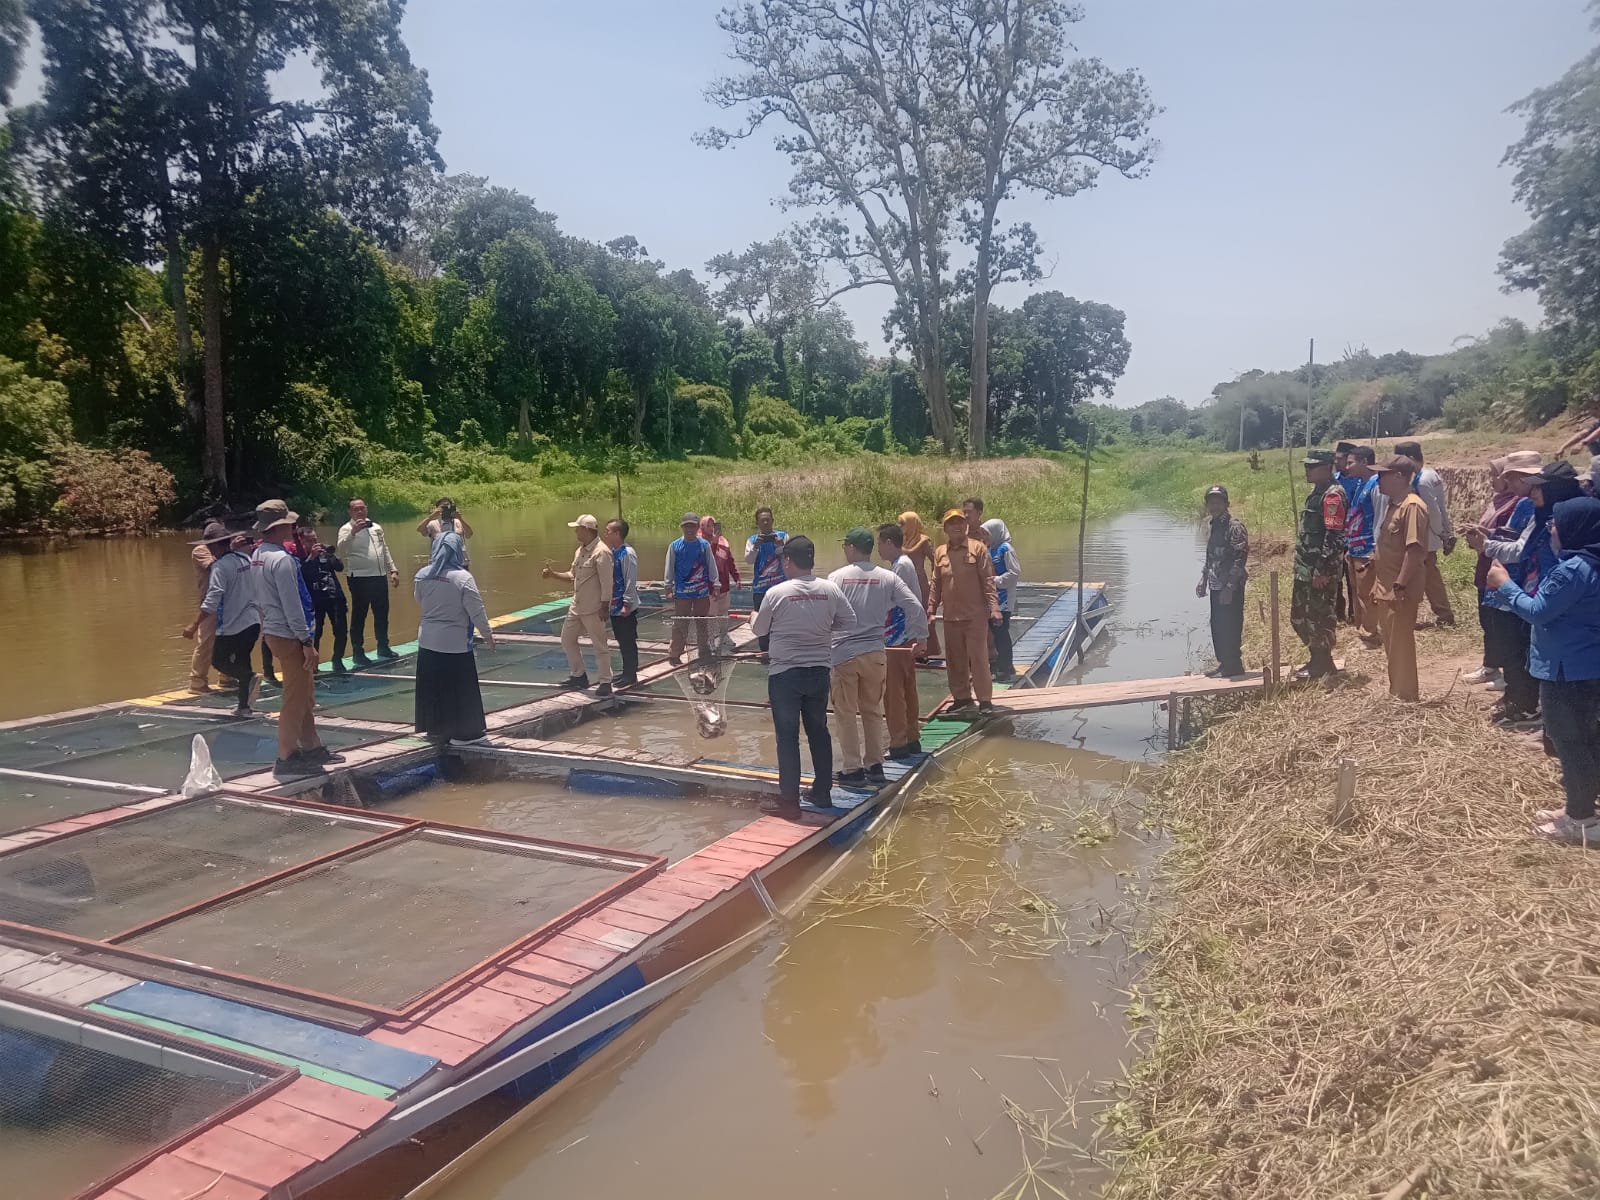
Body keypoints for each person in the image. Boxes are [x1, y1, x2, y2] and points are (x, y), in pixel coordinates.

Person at [1484, 498, 1600, 844]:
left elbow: (1537, 610)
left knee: (1570, 742)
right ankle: (1579, 808)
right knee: (1586, 739)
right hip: (1587, 665)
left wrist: (1503, 582)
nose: (1551, 527)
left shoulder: (1573, 570)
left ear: (1575, 528)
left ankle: (1582, 821)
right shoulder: (1591, 563)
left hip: (1565, 669)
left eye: (1557, 523)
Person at [1467, 459, 1584, 728]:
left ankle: (1532, 709)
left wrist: (1487, 546)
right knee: (1522, 650)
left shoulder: (1565, 521)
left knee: (1531, 654)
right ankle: (1528, 706)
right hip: (1534, 591)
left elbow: (1522, 551)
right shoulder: (1540, 513)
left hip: (1549, 594)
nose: (1532, 492)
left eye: (1537, 487)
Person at [750, 536, 856, 821]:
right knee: (818, 732)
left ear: (787, 561)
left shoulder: (777, 592)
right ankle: (821, 793)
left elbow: (760, 630)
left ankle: (789, 802)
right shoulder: (830, 589)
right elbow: (850, 621)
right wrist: (823, 628)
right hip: (819, 671)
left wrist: (752, 616)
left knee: (787, 738)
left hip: (786, 674)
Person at [828, 527, 927, 786]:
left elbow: (824, 615)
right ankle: (875, 766)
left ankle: (852, 769)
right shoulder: (887, 577)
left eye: (844, 546)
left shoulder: (836, 578)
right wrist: (921, 637)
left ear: (851, 547)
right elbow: (914, 605)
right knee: (873, 711)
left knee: (846, 713)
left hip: (844, 654)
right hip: (875, 652)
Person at [252, 500, 339, 779]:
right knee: (294, 698)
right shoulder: (282, 560)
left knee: (304, 693)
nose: (293, 527)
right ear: (280, 526)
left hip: (275, 631)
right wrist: (306, 641)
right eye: (289, 523)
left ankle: (311, 746)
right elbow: (292, 604)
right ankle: (287, 755)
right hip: (291, 634)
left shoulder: (258, 555)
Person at [412, 530, 494, 745]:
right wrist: (488, 636)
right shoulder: (463, 578)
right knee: (460, 687)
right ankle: (465, 734)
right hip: (455, 642)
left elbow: (419, 600)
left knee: (433, 686)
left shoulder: (422, 574)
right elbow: (477, 612)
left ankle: (435, 729)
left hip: (427, 640)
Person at [1462, 453, 1537, 686]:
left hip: (1506, 571)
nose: (1492, 480)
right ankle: (1495, 667)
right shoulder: (1501, 500)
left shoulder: (1521, 503)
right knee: (1491, 621)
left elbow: (1516, 544)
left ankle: (1511, 680)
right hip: (1490, 565)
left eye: (1498, 475)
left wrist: (1486, 542)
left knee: (1505, 627)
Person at [929, 508, 1002, 718]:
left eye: (960, 522)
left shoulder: (978, 549)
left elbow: (988, 581)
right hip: (951, 617)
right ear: (945, 529)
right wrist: (931, 609)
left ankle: (985, 701)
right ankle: (962, 698)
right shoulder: (940, 552)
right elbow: (936, 583)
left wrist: (994, 608)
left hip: (975, 617)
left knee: (979, 660)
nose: (956, 526)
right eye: (951, 523)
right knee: (955, 660)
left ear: (966, 525)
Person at [1368, 456, 1429, 701]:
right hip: (1387, 588)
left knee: (1400, 644)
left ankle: (1405, 696)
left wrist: (1399, 584)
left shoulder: (1412, 506)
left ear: (1399, 477)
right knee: (1392, 645)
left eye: (1382, 475)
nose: (1377, 480)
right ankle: (1397, 692)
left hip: (1399, 590)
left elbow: (1414, 550)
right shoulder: (1395, 504)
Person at [189, 530, 261, 716]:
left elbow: (213, 599)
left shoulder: (221, 566)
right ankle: (244, 707)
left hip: (232, 623)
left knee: (219, 661)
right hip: (252, 620)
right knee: (242, 660)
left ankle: (247, 679)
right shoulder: (246, 559)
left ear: (215, 546)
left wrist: (193, 625)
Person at [1290, 449, 1347, 680]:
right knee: (1299, 618)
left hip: (1320, 571)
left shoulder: (1333, 495)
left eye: (1312, 466)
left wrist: (1322, 569)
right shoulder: (1317, 493)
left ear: (1327, 467)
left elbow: (1334, 535)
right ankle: (1318, 659)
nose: (1307, 470)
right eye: (1306, 466)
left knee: (1319, 617)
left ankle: (1322, 664)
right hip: (1305, 569)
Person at [543, 514, 614, 696]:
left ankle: (605, 681)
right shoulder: (580, 551)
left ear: (587, 530)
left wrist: (605, 606)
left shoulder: (602, 552)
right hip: (577, 606)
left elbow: (607, 583)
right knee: (567, 639)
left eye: (578, 528)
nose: (576, 532)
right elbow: (572, 575)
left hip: (594, 607)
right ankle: (579, 676)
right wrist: (552, 575)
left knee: (600, 646)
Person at [1393, 440, 1456, 628]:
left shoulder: (1421, 481)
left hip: (1426, 536)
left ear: (1411, 459)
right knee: (1429, 576)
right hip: (1431, 535)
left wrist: (1441, 533)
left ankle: (1442, 613)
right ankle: (1442, 613)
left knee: (1425, 576)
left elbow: (1433, 511)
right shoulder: (1431, 474)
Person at [878, 522, 927, 758]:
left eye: (879, 543)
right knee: (908, 690)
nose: (878, 549)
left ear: (889, 543)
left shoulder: (900, 567)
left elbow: (893, 602)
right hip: (906, 636)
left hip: (897, 637)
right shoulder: (903, 565)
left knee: (893, 693)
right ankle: (911, 736)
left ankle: (898, 743)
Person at [337, 498, 399, 666]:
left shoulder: (376, 527)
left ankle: (383, 647)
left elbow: (384, 548)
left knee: (381, 614)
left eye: (362, 508)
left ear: (366, 509)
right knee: (359, 616)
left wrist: (392, 569)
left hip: (379, 576)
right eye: (355, 509)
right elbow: (341, 549)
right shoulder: (346, 529)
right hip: (359, 578)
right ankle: (358, 653)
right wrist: (353, 532)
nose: (359, 511)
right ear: (350, 512)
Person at [1195, 485, 1248, 678]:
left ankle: (1234, 665)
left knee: (1231, 624)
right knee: (1217, 624)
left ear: (1226, 504)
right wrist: (1203, 578)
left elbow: (1240, 558)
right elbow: (1211, 556)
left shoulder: (1234, 527)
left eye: (1218, 502)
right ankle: (1224, 663)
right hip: (1216, 583)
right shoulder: (1213, 524)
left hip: (1230, 586)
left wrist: (1230, 587)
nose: (1214, 506)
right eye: (1211, 502)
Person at [183, 522, 235, 694]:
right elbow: (216, 567)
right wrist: (231, 550)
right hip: (209, 602)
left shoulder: (225, 550)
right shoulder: (200, 550)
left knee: (229, 639)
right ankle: (197, 682)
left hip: (227, 600)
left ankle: (226, 676)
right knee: (205, 642)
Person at [294, 520, 350, 674]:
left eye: (315, 539)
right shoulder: (297, 557)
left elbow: (340, 567)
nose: (314, 543)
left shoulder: (324, 553)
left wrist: (330, 553)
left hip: (334, 596)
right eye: (310, 541)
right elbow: (300, 576)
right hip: (314, 601)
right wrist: (311, 557)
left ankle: (337, 660)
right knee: (315, 634)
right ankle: (313, 665)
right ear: (302, 541)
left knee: (341, 630)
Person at [1343, 447, 1382, 646]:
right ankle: (1363, 629)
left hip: (1368, 549)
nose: (1347, 466)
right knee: (1359, 592)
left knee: (1368, 594)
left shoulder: (1376, 485)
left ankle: (1371, 635)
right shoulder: (1360, 484)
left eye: (1351, 462)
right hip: (1356, 548)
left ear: (1365, 461)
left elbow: (1380, 519)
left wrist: (1376, 548)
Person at [665, 512, 715, 665]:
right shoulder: (675, 546)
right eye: (686, 526)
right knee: (680, 624)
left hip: (701, 591)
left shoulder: (704, 545)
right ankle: (675, 654)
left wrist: (716, 584)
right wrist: (668, 586)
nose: (689, 529)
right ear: (682, 528)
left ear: (697, 527)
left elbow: (711, 566)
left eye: (692, 526)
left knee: (702, 622)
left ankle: (704, 651)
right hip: (682, 592)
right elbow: (669, 567)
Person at [601, 518, 641, 689]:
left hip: (625, 606)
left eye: (608, 531)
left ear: (617, 533)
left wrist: (627, 603)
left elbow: (630, 580)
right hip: (614, 606)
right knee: (621, 639)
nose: (605, 534)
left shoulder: (627, 553)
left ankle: (631, 675)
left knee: (628, 640)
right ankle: (626, 672)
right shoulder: (613, 552)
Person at [745, 508, 789, 654]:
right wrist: (756, 547)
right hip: (760, 589)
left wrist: (781, 546)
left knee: (783, 621)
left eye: (768, 519)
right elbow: (748, 561)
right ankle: (764, 652)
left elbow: (791, 558)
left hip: (781, 587)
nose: (765, 522)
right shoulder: (752, 540)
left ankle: (782, 650)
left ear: (772, 521)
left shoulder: (783, 535)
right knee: (761, 625)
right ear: (757, 523)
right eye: (762, 520)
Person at [981, 519, 1020, 681]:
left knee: (1002, 632)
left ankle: (1007, 667)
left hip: (1004, 598)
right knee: (995, 632)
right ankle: (1000, 665)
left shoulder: (1006, 549)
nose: (984, 537)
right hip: (993, 597)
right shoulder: (991, 549)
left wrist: (994, 580)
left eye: (987, 534)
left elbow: (1014, 573)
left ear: (996, 533)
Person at [897, 512, 940, 658]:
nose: (900, 527)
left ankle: (928, 651)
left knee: (922, 615)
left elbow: (935, 561)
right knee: (906, 615)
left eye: (902, 524)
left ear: (912, 524)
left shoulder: (923, 541)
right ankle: (910, 647)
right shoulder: (901, 541)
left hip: (920, 582)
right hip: (903, 580)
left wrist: (935, 581)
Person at [701, 515, 742, 655]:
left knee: (724, 614)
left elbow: (730, 561)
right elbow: (707, 561)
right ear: (703, 527)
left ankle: (724, 636)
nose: (713, 528)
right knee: (711, 616)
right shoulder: (701, 542)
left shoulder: (724, 541)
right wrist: (713, 542)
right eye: (709, 525)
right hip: (709, 587)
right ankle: (710, 641)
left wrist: (737, 577)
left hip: (724, 586)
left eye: (715, 525)